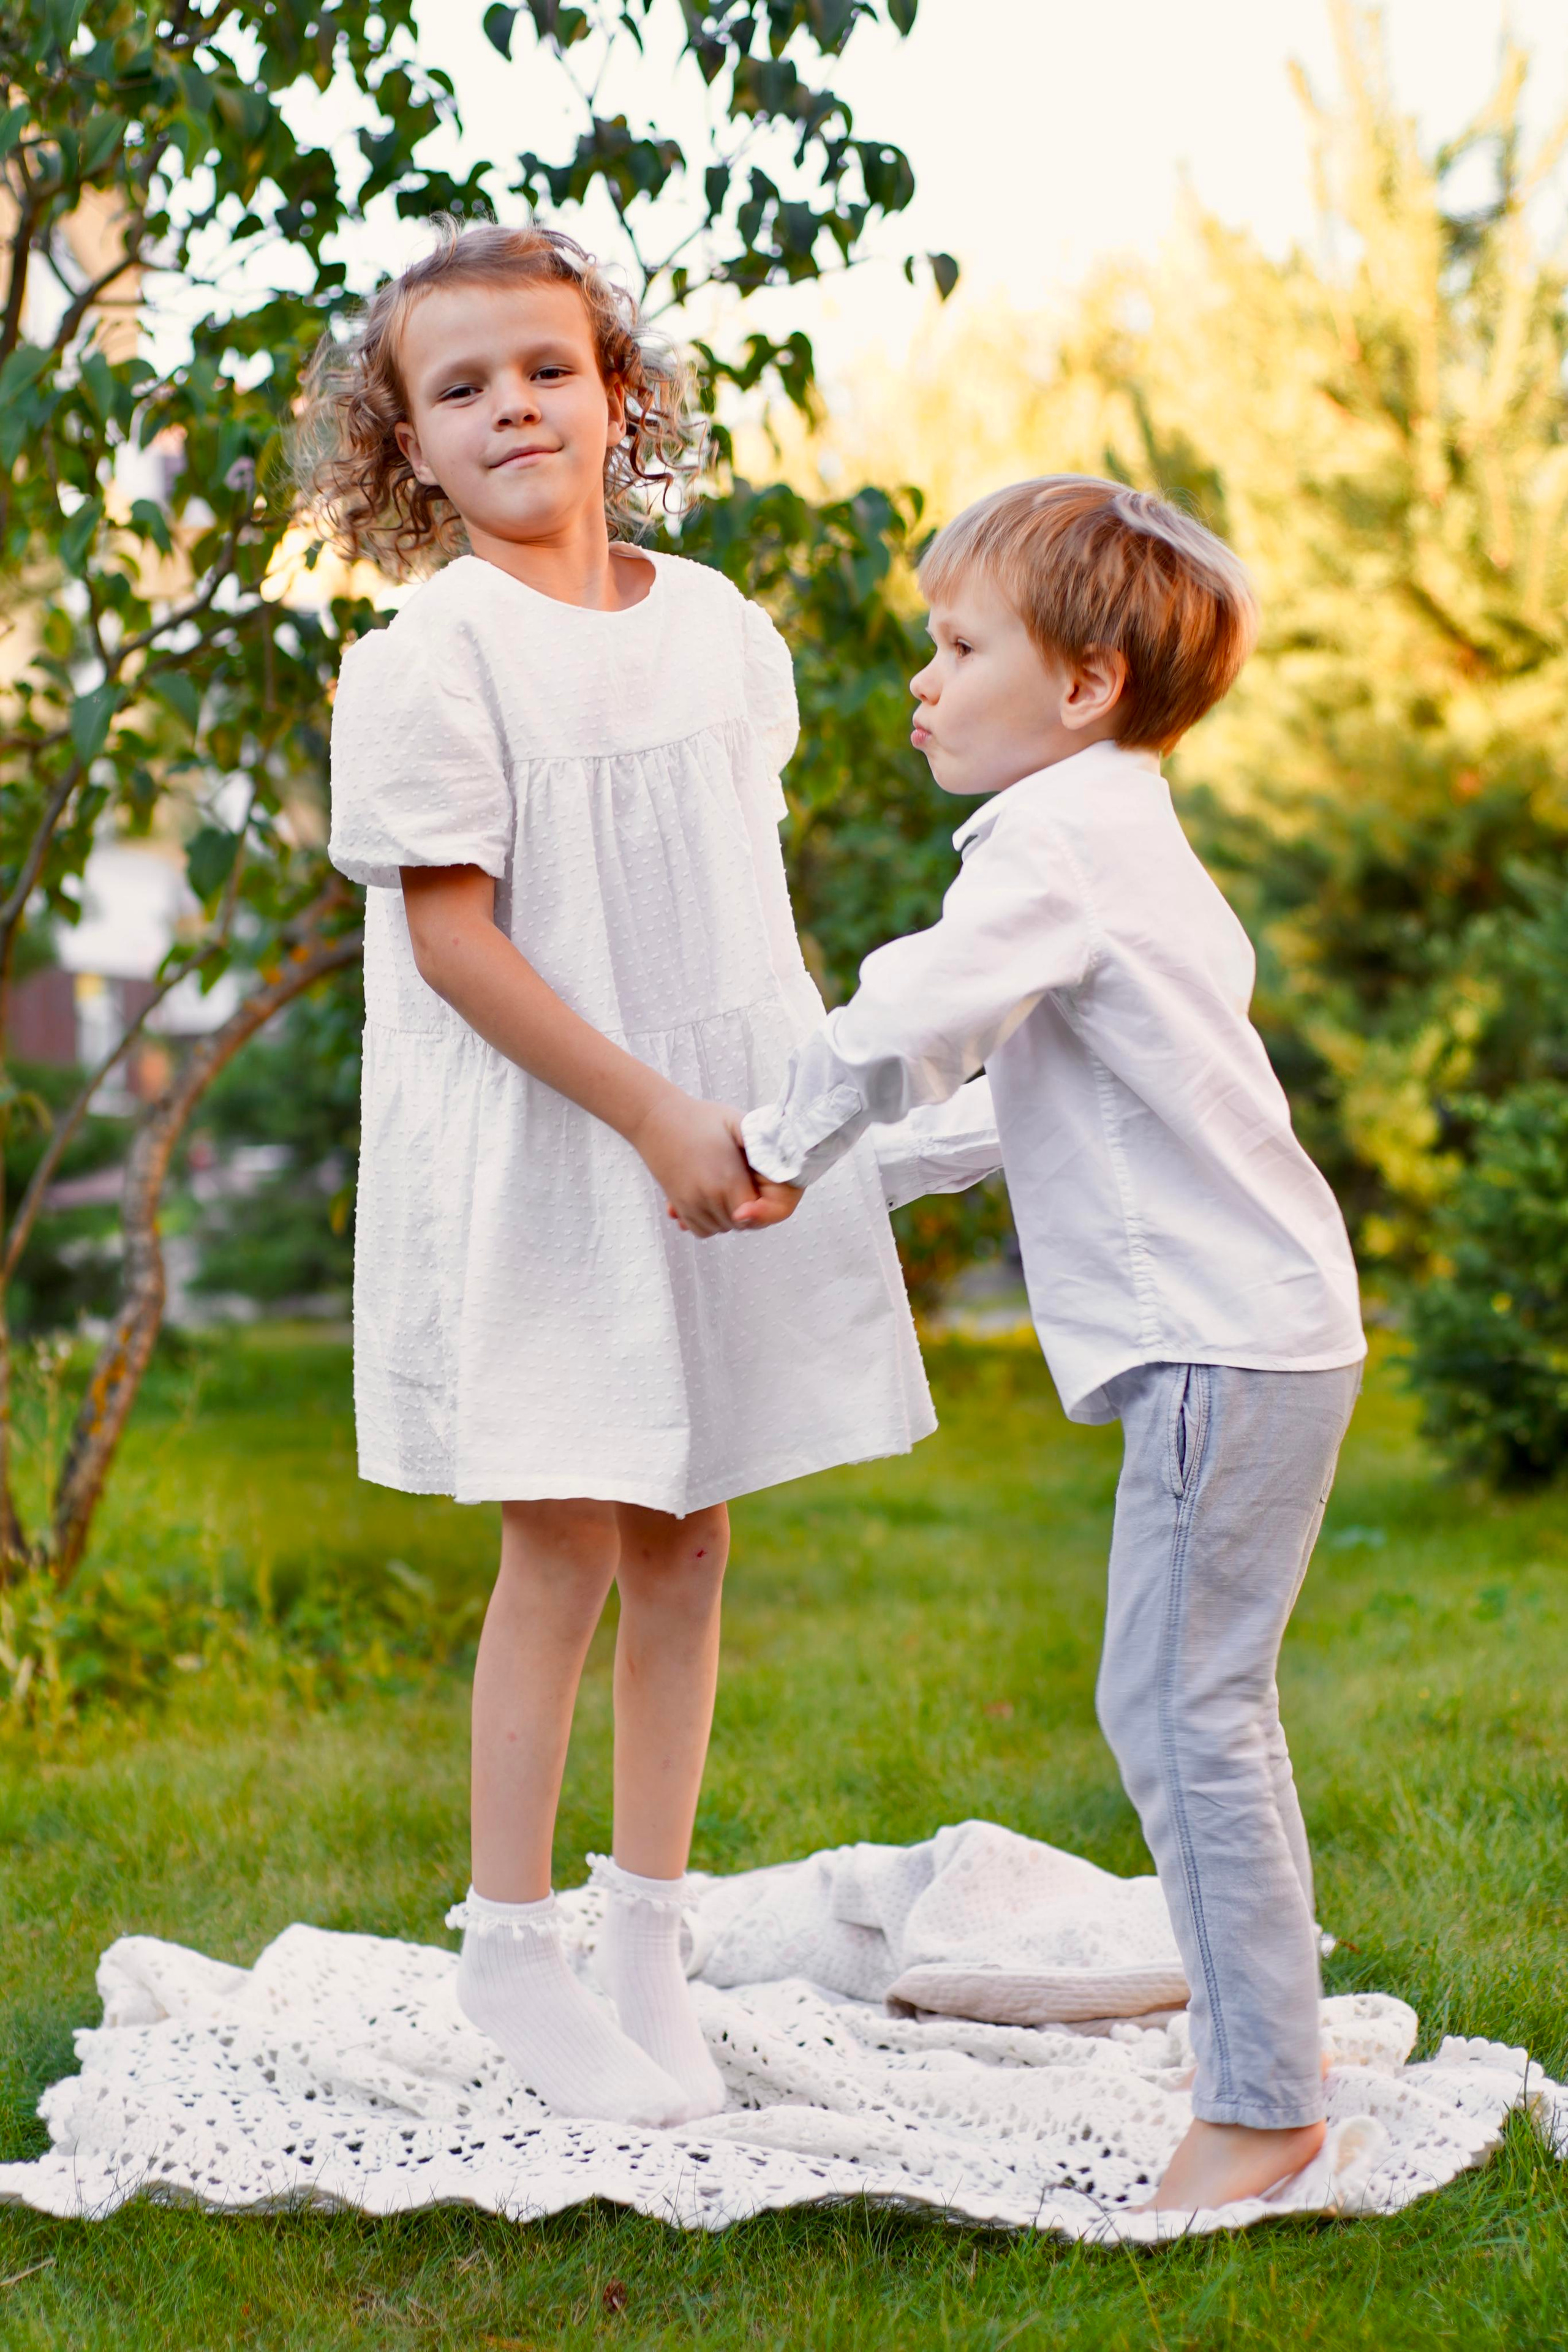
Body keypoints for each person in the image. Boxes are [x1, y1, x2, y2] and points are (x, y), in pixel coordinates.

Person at [301, 219, 981, 2130]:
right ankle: (509, 1947)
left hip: (712, 1123)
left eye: (548, 368)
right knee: (570, 1533)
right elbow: (459, 947)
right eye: (460, 387)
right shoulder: (433, 660)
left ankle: (646, 1945)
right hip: (556, 1134)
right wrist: (649, 1115)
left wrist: (778, 1111)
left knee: (689, 1531)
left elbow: (721, 906)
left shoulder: (720, 629)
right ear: (407, 448)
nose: (512, 405)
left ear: (619, 397)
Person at [731, 478, 1368, 2212]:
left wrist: (777, 1140)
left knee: (1181, 1708)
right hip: (1265, 1333)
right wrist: (840, 1181)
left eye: (958, 647)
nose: (922, 681)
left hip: (1224, 1346)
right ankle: (1270, 2055)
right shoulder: (1119, 837)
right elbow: (1025, 1096)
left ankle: (1265, 2100)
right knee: (1200, 1702)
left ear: (1084, 685)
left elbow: (915, 1020)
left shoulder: (1053, 847)